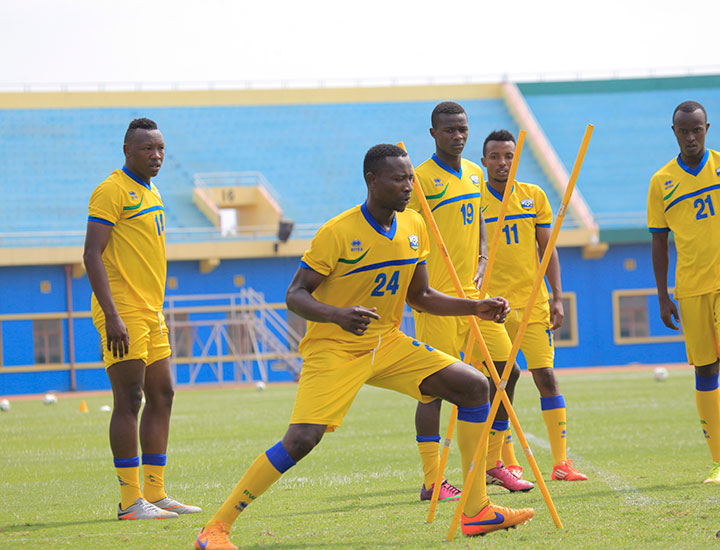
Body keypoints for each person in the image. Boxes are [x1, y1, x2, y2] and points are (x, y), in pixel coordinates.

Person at [194, 145, 535, 549]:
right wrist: (337, 314)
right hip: (333, 348)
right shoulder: (337, 232)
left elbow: (421, 295)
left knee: (475, 386)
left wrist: (475, 307)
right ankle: (215, 529)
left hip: (387, 342)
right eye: (399, 179)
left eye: (410, 177)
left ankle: (477, 510)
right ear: (372, 181)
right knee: (303, 438)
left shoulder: (414, 225)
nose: (409, 186)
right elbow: (295, 295)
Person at [407, 102, 533, 499]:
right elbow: (404, 236)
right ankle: (433, 481)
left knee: (505, 371)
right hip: (436, 301)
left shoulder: (476, 174)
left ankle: (493, 462)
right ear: (433, 134)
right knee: (433, 389)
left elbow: (479, 221)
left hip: (473, 297)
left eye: (462, 129)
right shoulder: (420, 180)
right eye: (448, 130)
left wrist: (481, 258)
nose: (457, 136)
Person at [83, 118, 201, 520]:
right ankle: (130, 502)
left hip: (152, 310)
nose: (157, 156)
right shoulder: (111, 190)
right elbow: (91, 254)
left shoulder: (152, 190)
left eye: (161, 149)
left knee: (163, 393)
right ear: (127, 151)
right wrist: (112, 315)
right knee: (130, 398)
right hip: (123, 311)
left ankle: (156, 493)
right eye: (148, 149)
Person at [648, 101, 720, 485]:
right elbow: (659, 243)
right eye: (684, 130)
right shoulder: (661, 182)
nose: (691, 136)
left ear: (707, 128)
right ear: (674, 131)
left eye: (697, 129)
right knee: (705, 367)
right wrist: (663, 294)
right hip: (690, 287)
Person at [479, 130, 588, 482]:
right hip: (492, 307)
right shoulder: (473, 201)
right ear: (484, 162)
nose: (502, 162)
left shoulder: (532, 196)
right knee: (500, 384)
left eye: (508, 156)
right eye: (495, 156)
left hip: (532, 303)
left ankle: (561, 463)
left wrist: (557, 296)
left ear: (516, 158)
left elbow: (547, 248)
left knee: (546, 377)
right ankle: (507, 461)